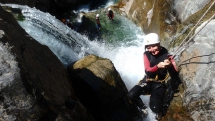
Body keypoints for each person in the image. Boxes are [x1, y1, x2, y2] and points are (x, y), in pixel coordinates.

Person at [128, 33, 181, 120]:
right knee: (131, 95)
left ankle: (160, 109)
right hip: (147, 81)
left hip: (159, 84)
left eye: (153, 46)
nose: (151, 49)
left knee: (155, 108)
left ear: (159, 44)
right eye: (148, 47)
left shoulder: (168, 56)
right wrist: (158, 66)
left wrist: (170, 66)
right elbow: (148, 71)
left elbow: (174, 75)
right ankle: (144, 109)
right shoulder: (146, 54)